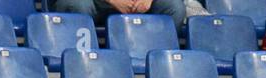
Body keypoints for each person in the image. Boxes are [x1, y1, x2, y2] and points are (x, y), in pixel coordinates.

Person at [52, 0, 186, 29]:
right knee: (75, 4)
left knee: (173, 6)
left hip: (139, 5)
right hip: (94, 4)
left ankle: (160, 61)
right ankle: (82, 58)